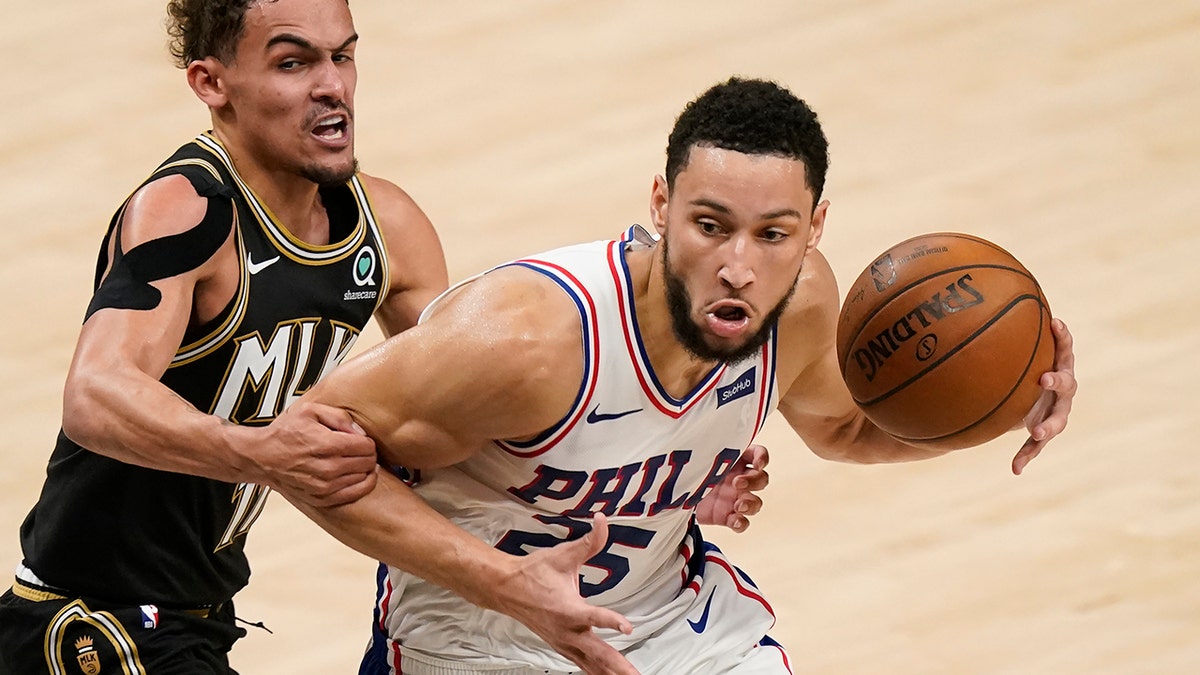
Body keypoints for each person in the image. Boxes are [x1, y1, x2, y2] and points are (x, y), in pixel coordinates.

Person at [0, 2, 758, 673]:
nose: (332, 86)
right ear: (211, 83)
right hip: (85, 617)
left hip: (197, 617)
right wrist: (260, 452)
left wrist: (669, 467)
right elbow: (95, 394)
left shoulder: (384, 226)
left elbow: (470, 435)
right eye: (293, 62)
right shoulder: (189, 210)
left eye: (344, 54)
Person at [289, 76, 1078, 674]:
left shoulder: (801, 307)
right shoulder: (528, 338)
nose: (740, 266)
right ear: (661, 205)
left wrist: (1007, 401)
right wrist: (502, 580)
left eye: (774, 233)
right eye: (711, 226)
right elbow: (306, 447)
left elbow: (847, 425)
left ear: (816, 228)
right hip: (478, 640)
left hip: (670, 626)